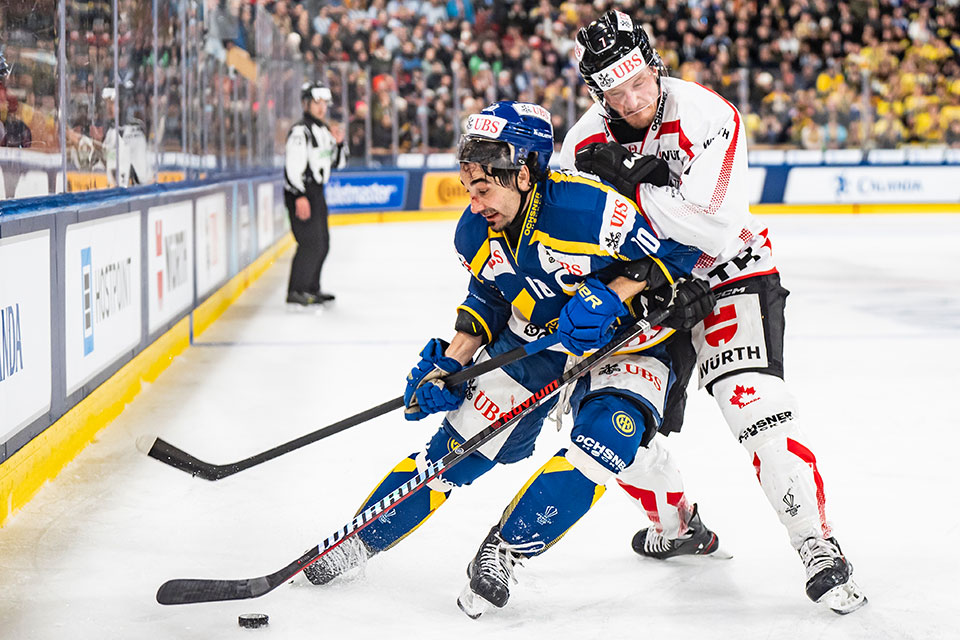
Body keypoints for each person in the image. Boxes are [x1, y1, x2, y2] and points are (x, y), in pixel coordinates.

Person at [300, 100, 713, 617]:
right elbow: (489, 297)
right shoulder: (475, 231)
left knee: (604, 441)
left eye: (484, 189)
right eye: (468, 190)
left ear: (523, 172)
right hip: (535, 344)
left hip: (630, 343)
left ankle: (506, 552)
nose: (475, 204)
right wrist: (452, 360)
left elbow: (682, 252)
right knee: (456, 450)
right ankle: (360, 540)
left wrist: (615, 293)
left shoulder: (590, 210)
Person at [560, 10, 866, 614]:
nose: (633, 99)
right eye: (615, 92)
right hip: (648, 290)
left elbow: (715, 223)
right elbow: (575, 248)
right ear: (597, 93)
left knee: (756, 409)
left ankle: (816, 544)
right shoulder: (580, 145)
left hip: (731, 273)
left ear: (654, 64)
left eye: (639, 82)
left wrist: (633, 194)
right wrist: (638, 272)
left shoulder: (706, 113)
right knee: (610, 427)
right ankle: (677, 526)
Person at [283, 81, 346, 305]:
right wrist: (299, 195)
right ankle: (296, 291)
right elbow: (292, 166)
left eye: (324, 103)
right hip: (302, 191)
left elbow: (337, 163)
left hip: (317, 191)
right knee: (310, 243)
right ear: (306, 103)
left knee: (322, 242)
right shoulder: (301, 132)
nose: (321, 108)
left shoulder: (324, 131)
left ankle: (311, 287)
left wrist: (339, 144)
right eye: (316, 102)